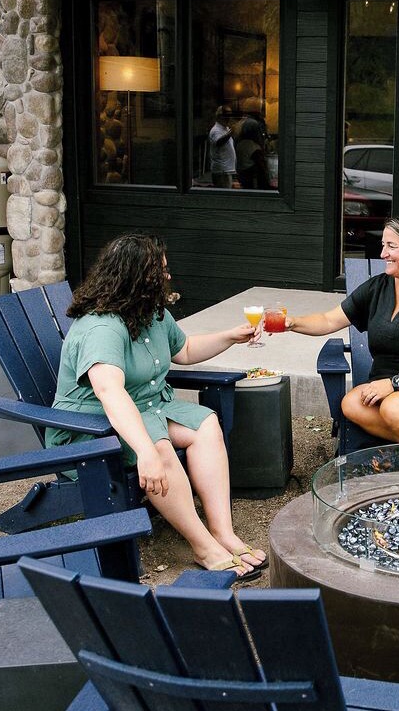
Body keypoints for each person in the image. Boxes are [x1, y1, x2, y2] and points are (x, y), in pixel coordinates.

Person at [46, 234, 266, 577]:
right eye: (159, 271)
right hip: (90, 429)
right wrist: (145, 451)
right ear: (135, 279)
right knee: (158, 446)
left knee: (205, 424)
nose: (167, 276)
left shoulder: (151, 313)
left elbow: (186, 350)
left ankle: (223, 532)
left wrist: (230, 336)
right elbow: (110, 392)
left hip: (147, 408)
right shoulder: (101, 326)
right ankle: (204, 546)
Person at [284, 213, 399, 467]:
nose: (382, 253)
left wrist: (395, 383)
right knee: (351, 403)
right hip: (389, 382)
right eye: (383, 245)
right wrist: (291, 323)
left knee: (394, 408)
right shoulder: (377, 288)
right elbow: (329, 320)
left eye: (391, 246)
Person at [235, 116, 270, 190]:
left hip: (241, 176)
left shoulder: (240, 143)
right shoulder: (252, 146)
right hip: (251, 180)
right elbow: (261, 166)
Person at [208, 105, 236, 188]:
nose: (229, 118)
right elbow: (219, 142)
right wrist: (231, 133)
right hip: (222, 171)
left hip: (226, 169)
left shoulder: (225, 128)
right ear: (220, 117)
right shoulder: (216, 130)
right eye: (227, 116)